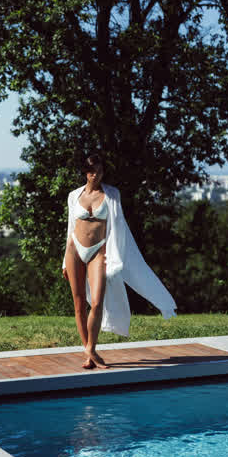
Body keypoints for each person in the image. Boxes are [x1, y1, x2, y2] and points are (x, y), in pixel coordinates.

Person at [62, 153, 177, 370]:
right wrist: (63, 263)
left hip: (99, 251)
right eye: (91, 171)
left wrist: (113, 256)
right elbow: (70, 227)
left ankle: (91, 348)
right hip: (74, 250)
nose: (95, 175)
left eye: (99, 171)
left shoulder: (112, 194)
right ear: (85, 172)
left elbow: (118, 227)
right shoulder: (73, 196)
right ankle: (89, 353)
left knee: (97, 302)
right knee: (78, 304)